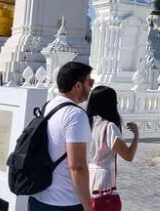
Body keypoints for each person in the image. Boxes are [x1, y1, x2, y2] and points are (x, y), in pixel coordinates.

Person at [30, 62, 94, 211]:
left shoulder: (48, 106)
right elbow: (77, 167)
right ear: (78, 86)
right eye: (90, 82)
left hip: (38, 196)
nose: (91, 88)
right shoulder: (75, 115)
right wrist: (88, 206)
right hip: (64, 202)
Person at [86, 86, 140, 209]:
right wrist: (136, 135)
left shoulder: (88, 123)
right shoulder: (109, 127)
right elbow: (128, 156)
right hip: (103, 178)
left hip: (89, 174)